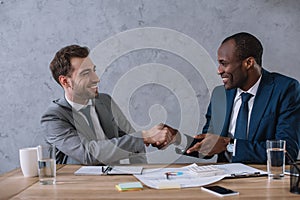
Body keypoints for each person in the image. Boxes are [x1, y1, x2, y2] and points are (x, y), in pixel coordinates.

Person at [41, 45, 176, 165]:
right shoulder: (54, 118)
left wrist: (141, 175)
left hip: (115, 180)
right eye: (86, 73)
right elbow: (88, 154)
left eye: (93, 70)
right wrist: (144, 136)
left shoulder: (105, 101)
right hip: (79, 187)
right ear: (65, 81)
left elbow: (133, 144)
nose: (96, 79)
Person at [183, 32, 300, 163]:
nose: (219, 70)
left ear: (249, 63)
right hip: (224, 178)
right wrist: (175, 138)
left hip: (262, 180)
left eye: (224, 63)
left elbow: (287, 152)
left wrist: (229, 145)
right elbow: (208, 146)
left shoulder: (285, 89)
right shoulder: (220, 95)